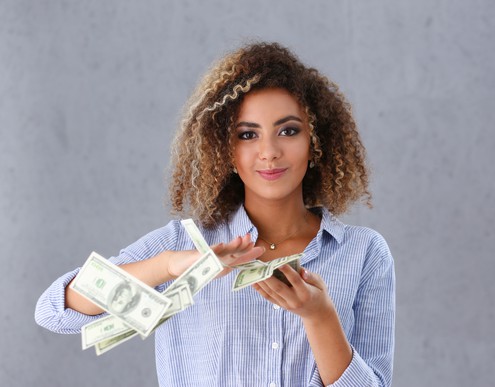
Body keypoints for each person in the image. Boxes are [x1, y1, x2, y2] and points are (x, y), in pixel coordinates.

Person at [35, 42, 395, 387]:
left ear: (315, 143)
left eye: (288, 131)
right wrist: (169, 267)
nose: (269, 152)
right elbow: (55, 311)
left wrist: (320, 317)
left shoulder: (364, 253)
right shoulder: (183, 244)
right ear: (226, 151)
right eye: (247, 135)